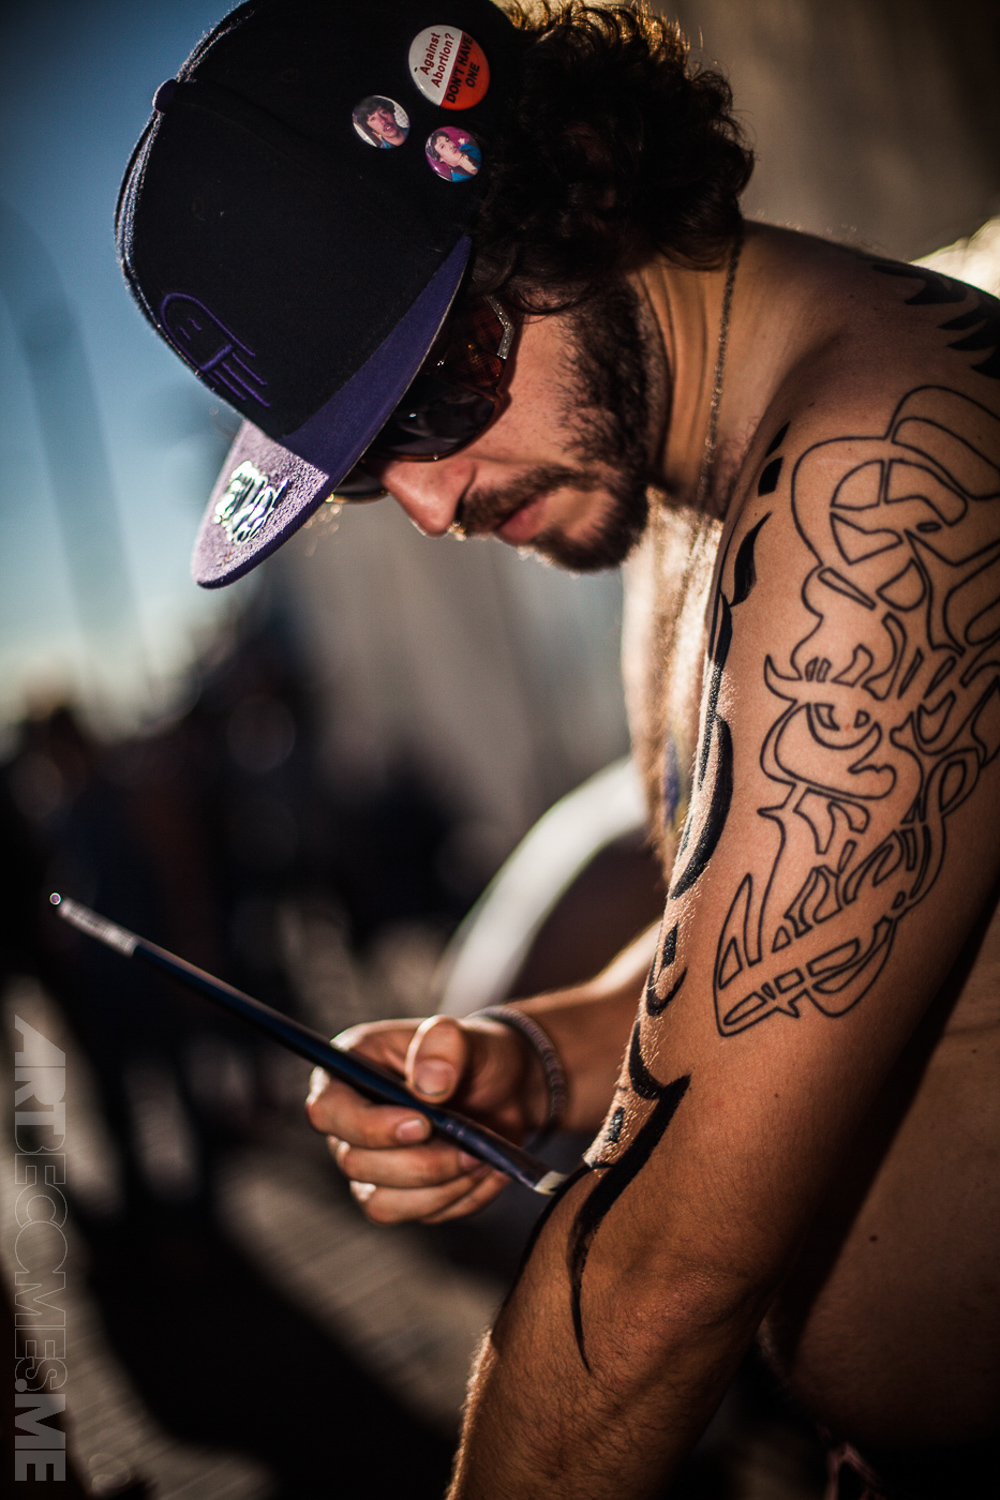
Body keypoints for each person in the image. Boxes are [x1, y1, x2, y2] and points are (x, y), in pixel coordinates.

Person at [117, 1, 1000, 1496]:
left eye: (434, 387)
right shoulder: (682, 503)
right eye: (360, 463)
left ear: (582, 170)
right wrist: (536, 1058)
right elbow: (787, 932)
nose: (428, 504)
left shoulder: (880, 473)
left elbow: (665, 1277)